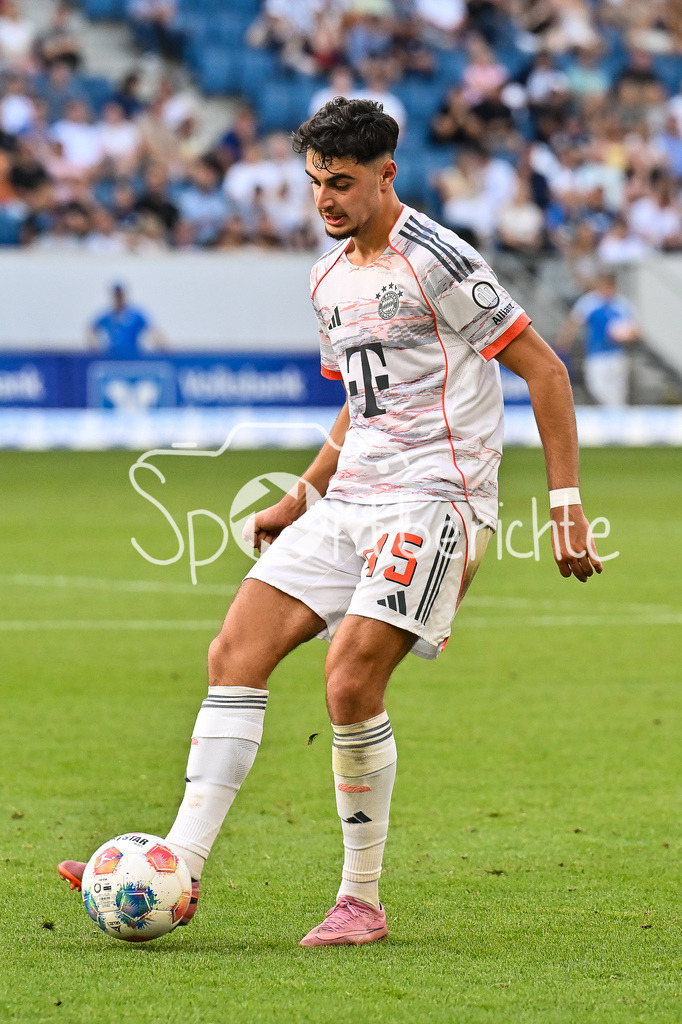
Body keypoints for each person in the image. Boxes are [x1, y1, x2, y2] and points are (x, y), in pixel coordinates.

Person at [59, 98, 602, 946]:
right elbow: (361, 404)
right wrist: (303, 493)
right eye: (315, 183)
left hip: (439, 500)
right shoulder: (329, 276)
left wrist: (565, 507)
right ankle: (177, 866)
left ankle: (361, 901)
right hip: (352, 498)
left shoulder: (442, 262)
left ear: (388, 173)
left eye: (342, 184)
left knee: (349, 681)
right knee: (233, 652)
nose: (325, 202)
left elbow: (548, 372)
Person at [556, 268, 639, 406]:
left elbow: (635, 330)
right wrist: (563, 343)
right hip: (595, 354)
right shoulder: (590, 302)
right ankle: (613, 412)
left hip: (616, 354)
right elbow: (574, 322)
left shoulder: (621, 304)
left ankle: (616, 418)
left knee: (618, 391)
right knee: (596, 387)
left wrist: (624, 336)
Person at [88, 282, 165, 356]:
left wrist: (160, 342)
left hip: (132, 355)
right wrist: (94, 344)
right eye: (116, 297)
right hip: (112, 356)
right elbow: (91, 330)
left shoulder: (135, 315)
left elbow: (152, 329)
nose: (119, 300)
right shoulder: (107, 317)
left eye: (120, 296)